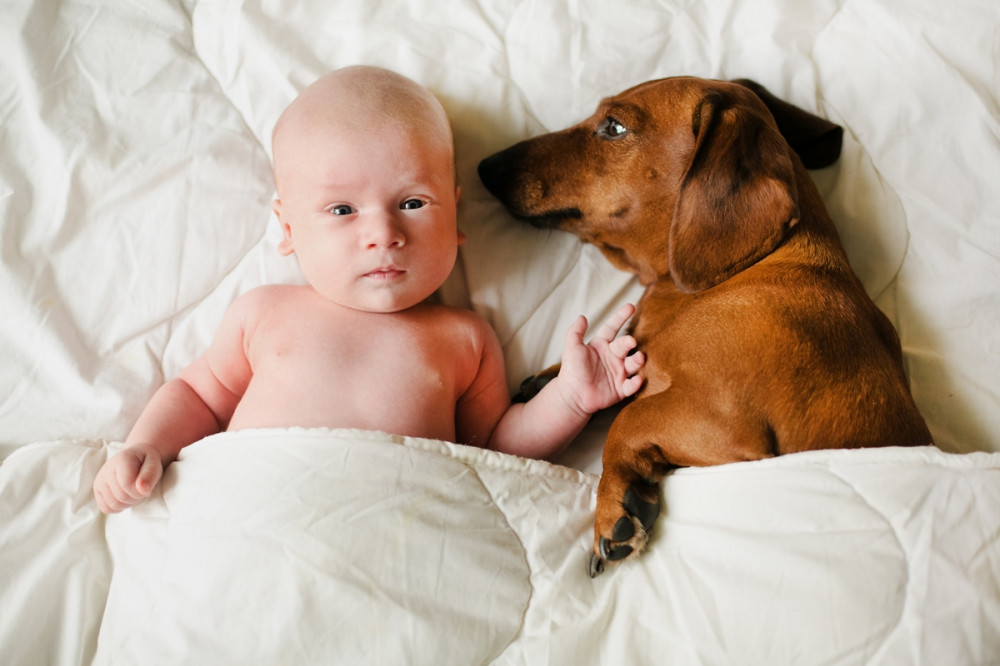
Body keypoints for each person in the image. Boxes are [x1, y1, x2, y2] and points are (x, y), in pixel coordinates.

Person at [92, 65, 645, 514]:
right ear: (288, 231)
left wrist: (570, 399)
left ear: (454, 216)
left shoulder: (465, 339)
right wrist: (146, 446)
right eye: (341, 210)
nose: (383, 234)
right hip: (256, 507)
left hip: (396, 521)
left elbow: (494, 453)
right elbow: (197, 397)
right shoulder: (264, 314)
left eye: (412, 203)